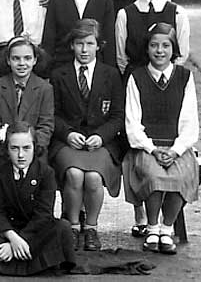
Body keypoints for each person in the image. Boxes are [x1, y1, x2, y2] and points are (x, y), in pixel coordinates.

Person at [123, 22, 199, 255]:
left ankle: (167, 229)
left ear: (173, 48)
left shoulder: (184, 77)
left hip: (177, 146)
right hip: (146, 147)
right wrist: (152, 149)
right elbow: (132, 123)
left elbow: (190, 121)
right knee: (153, 174)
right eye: (154, 45)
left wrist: (175, 150)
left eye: (165, 45)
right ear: (147, 49)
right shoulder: (137, 77)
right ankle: (152, 226)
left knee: (180, 174)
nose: (159, 50)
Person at [50, 19, 124, 251]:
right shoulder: (59, 74)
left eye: (89, 44)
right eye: (79, 43)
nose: (84, 49)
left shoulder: (110, 75)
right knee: (73, 174)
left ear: (98, 46)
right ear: (72, 45)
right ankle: (71, 227)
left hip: (100, 143)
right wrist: (68, 133)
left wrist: (101, 136)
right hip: (68, 142)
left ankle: (91, 228)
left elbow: (118, 116)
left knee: (93, 177)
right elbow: (52, 113)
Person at [0, 121, 76, 276]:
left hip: (34, 233)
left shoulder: (46, 173)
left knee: (63, 227)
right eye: (14, 148)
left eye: (26, 148)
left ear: (35, 147)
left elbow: (43, 215)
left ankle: (6, 259)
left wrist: (20, 241)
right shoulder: (1, 171)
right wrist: (12, 238)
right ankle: (27, 261)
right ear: (7, 149)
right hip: (8, 232)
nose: (21, 155)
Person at [115, 0, 189, 78]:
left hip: (167, 83)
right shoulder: (125, 15)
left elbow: (181, 55)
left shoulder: (178, 13)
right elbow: (121, 58)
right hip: (134, 83)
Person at [0, 36, 53, 174]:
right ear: (8, 61)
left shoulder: (45, 88)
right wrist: (5, 144)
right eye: (16, 58)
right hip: (2, 150)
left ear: (35, 60)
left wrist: (29, 146)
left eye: (27, 58)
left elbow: (46, 125)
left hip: (34, 151)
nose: (22, 63)